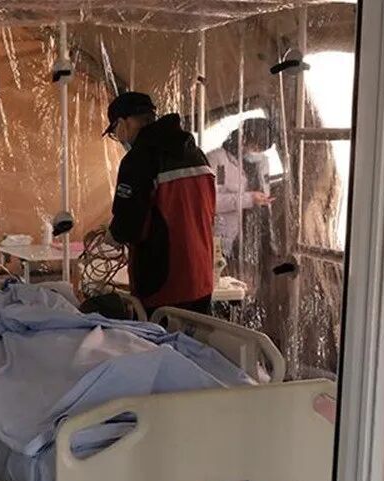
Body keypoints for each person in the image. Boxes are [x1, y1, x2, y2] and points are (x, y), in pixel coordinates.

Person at [103, 91, 216, 317]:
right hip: (202, 278)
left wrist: (113, 234)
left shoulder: (139, 159)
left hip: (163, 283)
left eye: (114, 131)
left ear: (123, 123)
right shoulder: (195, 153)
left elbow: (129, 225)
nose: (118, 137)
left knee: (158, 339)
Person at [206, 118, 275, 261]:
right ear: (243, 138)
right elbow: (212, 202)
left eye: (261, 149)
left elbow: (265, 189)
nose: (257, 152)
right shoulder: (219, 161)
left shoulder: (263, 162)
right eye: (255, 147)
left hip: (255, 238)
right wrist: (249, 199)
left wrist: (264, 199)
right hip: (223, 238)